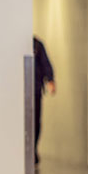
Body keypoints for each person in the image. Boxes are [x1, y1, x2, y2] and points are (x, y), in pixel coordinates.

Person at [33, 35, 56, 164]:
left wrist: (50, 80)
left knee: (36, 123)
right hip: (17, 94)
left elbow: (45, 64)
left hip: (35, 91)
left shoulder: (37, 45)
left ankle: (33, 150)